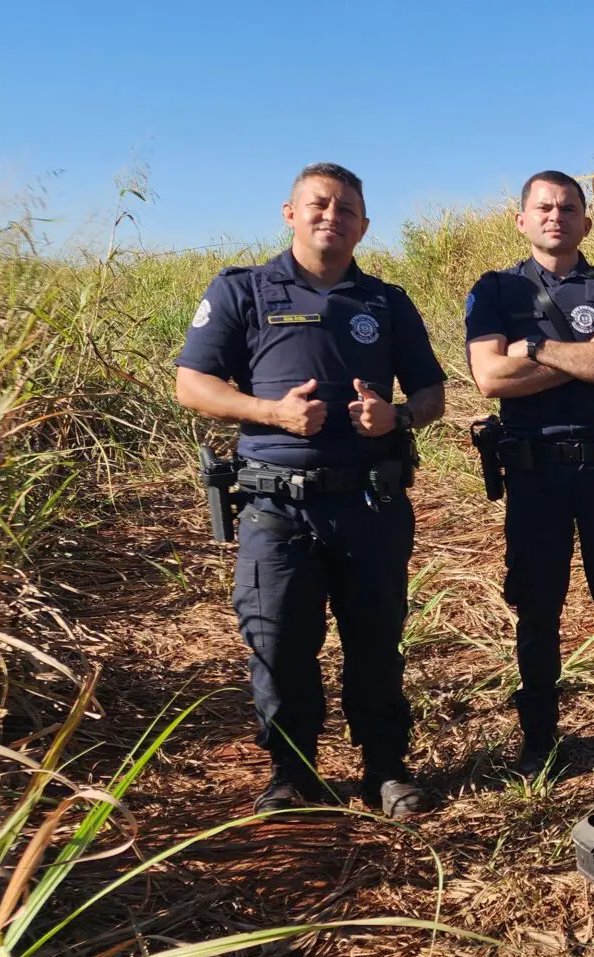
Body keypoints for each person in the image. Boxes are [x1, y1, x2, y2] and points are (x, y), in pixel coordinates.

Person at [174, 163, 447, 817]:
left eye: (347, 208)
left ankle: (385, 768)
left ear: (364, 226)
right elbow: (192, 384)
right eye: (319, 204)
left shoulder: (386, 302)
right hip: (276, 505)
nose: (332, 215)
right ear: (290, 213)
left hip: (369, 503)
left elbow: (432, 393)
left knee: (375, 641)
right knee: (278, 644)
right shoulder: (243, 290)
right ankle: (292, 774)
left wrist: (396, 416)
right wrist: (271, 413)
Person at [464, 171, 594, 778]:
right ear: (522, 220)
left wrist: (535, 350)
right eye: (543, 207)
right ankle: (540, 738)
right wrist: (586, 356)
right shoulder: (496, 290)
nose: (556, 216)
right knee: (538, 605)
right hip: (534, 474)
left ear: (586, 222)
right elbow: (489, 377)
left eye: (568, 208)